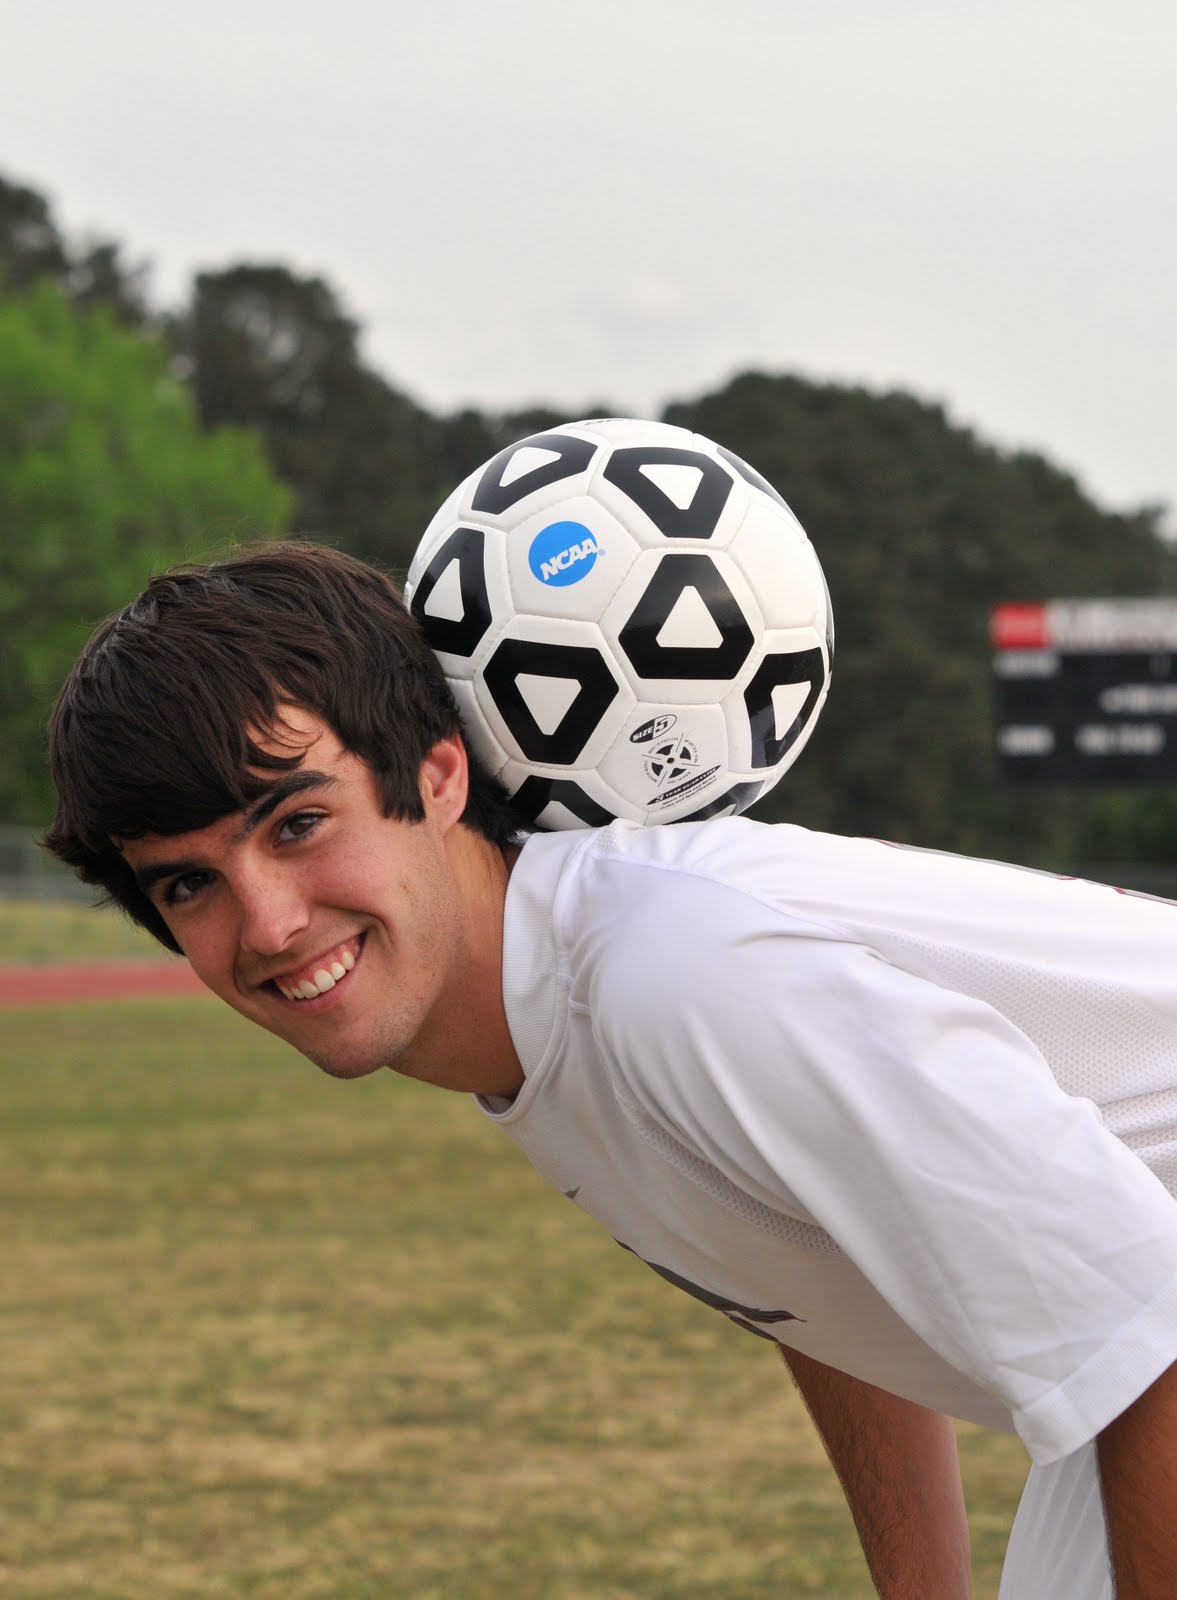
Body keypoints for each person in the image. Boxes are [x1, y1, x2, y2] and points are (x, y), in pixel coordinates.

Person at [45, 540, 1177, 1600]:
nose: (269, 922)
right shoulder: (555, 1002)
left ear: (438, 775)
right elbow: (818, 1254)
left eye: (297, 822)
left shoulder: (669, 976)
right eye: (188, 883)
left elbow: (1148, 1328)